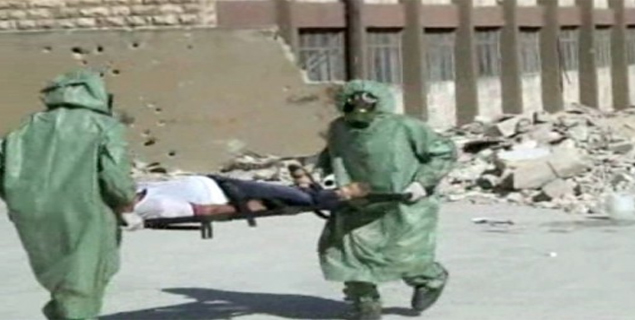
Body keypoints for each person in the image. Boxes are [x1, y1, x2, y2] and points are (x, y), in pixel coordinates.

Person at [0, 70, 137, 320]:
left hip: (32, 213)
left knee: (58, 275)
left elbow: (3, 167)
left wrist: (17, 202)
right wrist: (127, 203)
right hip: (86, 212)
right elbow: (114, 176)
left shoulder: (26, 127)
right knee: (84, 280)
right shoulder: (103, 126)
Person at [315, 80, 457, 320]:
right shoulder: (338, 129)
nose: (360, 116)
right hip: (356, 202)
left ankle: (430, 279)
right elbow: (331, 156)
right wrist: (329, 182)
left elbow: (443, 152)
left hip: (403, 203)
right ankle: (365, 303)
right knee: (346, 252)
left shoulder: (407, 127)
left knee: (404, 256)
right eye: (353, 110)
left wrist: (422, 183)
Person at [126, 171, 370, 224]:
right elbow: (209, 212)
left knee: (295, 193)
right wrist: (247, 209)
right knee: (301, 198)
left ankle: (318, 190)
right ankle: (340, 194)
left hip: (220, 182)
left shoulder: (140, 190)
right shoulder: (156, 206)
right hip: (228, 193)